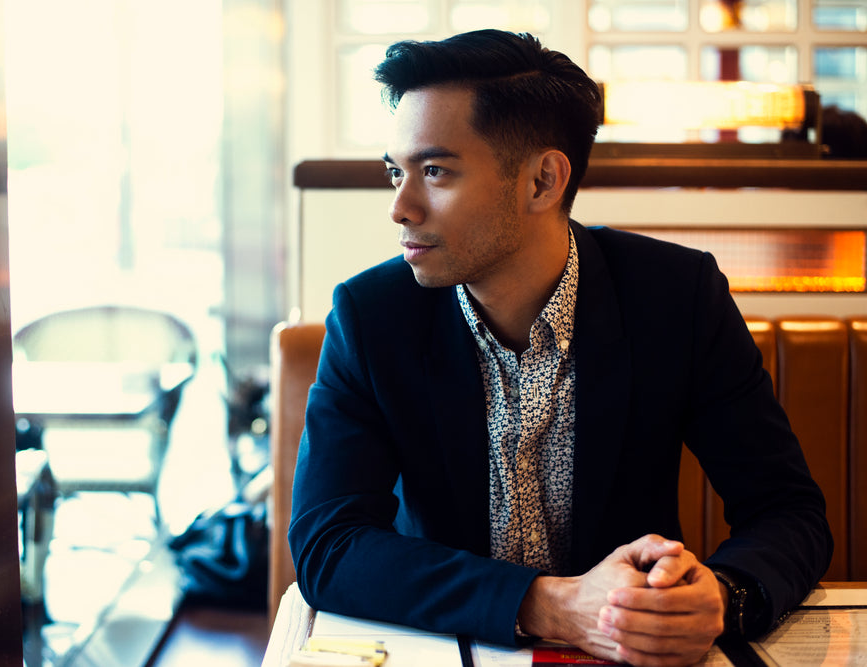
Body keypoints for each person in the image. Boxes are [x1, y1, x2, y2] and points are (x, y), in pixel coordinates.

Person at [288, 29, 831, 666]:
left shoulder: (676, 297)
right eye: (395, 172)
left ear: (544, 180)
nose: (400, 207)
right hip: (448, 645)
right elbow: (330, 544)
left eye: (434, 171)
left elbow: (788, 509)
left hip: (631, 652)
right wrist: (549, 605)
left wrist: (723, 594)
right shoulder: (372, 316)